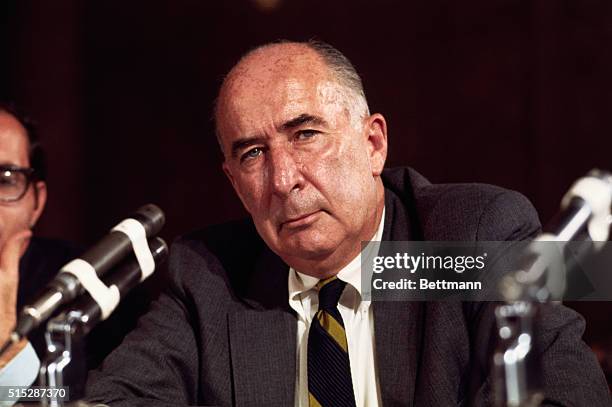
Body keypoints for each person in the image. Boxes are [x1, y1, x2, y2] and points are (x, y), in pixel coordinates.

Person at [85, 41, 611, 406]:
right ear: (233, 182)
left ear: (373, 144)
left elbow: (570, 393)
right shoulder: (207, 276)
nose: (283, 179)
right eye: (252, 154)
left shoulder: (472, 234)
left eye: (306, 134)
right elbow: (117, 398)